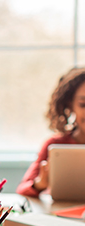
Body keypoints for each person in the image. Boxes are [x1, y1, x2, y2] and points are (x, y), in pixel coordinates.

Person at [16, 67, 85, 197]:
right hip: (61, 214)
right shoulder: (55, 144)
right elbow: (22, 189)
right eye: (83, 104)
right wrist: (41, 183)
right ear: (70, 105)